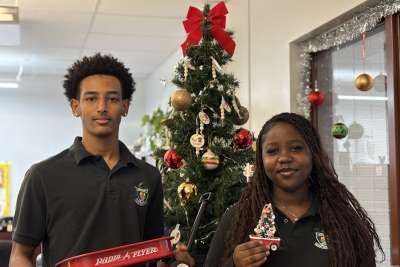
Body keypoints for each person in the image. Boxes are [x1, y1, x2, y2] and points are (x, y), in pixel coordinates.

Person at [9, 53, 194, 267]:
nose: (102, 107)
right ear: (75, 107)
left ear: (125, 106)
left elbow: (152, 253)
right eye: (91, 98)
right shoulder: (41, 176)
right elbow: (20, 255)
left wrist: (173, 261)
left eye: (113, 99)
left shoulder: (149, 176)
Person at [205, 112, 384, 267]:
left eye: (296, 148)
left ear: (313, 154)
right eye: (272, 151)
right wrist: (234, 263)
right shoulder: (239, 216)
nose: (284, 158)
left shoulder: (342, 218)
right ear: (261, 160)